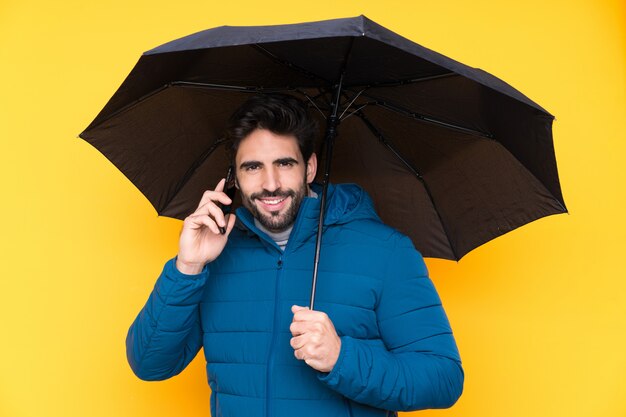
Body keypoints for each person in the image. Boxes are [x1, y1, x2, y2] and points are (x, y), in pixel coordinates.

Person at [126, 94, 464, 417]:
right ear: (235, 179)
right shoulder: (215, 256)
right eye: (253, 167)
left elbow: (443, 379)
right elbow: (150, 364)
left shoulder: (386, 251)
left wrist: (342, 358)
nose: (270, 183)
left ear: (310, 167)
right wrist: (188, 266)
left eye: (284, 163)